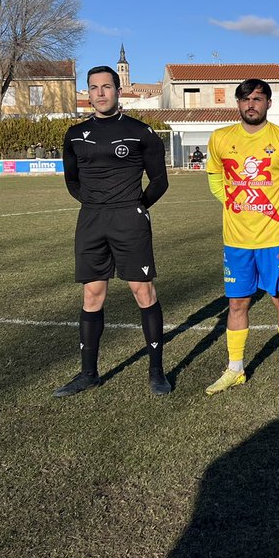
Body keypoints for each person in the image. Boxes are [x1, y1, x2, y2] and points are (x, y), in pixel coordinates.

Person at [56, 65, 171, 397]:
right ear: (88, 93)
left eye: (107, 86)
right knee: (92, 294)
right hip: (91, 221)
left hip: (129, 220)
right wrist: (96, 205)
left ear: (118, 91)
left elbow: (160, 181)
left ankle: (156, 371)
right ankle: (88, 373)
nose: (101, 93)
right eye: (94, 87)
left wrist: (136, 206)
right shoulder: (74, 134)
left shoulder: (141, 132)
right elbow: (72, 181)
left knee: (142, 291)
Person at [204, 78, 279, 395]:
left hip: (275, 237)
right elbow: (214, 179)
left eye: (258, 98)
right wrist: (237, 205)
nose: (251, 104)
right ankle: (235, 369)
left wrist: (268, 208)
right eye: (245, 99)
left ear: (268, 103)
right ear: (237, 104)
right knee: (237, 304)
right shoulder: (220, 139)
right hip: (236, 240)